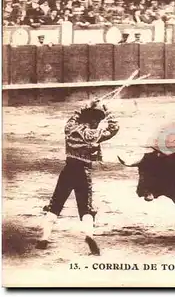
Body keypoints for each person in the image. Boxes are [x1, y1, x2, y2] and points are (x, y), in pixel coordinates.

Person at [36, 100, 119, 255]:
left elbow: (73, 118)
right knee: (85, 207)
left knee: (56, 203)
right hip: (83, 172)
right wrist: (107, 110)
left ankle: (44, 238)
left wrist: (86, 106)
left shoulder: (70, 128)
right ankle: (89, 235)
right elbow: (114, 128)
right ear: (94, 121)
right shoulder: (93, 135)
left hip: (68, 170)